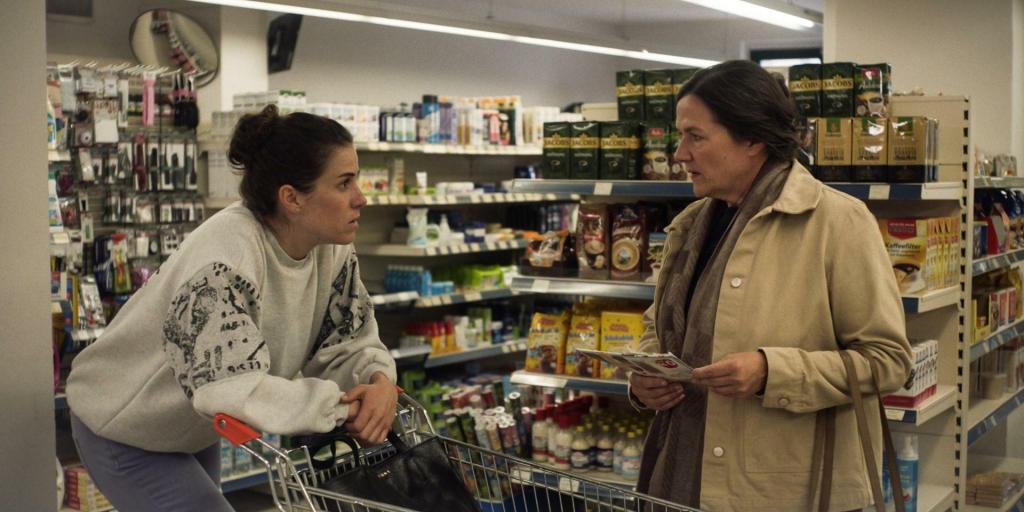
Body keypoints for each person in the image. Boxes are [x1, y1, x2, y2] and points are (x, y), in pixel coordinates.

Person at [66, 105, 398, 511]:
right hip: (125, 424)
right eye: (344, 183)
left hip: (191, 424)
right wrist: (338, 407)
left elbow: (347, 341)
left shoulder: (332, 251)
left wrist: (379, 381)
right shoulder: (227, 258)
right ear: (291, 198)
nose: (361, 198)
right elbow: (228, 384)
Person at [627, 60, 912, 511]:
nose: (680, 153)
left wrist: (770, 372)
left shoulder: (837, 222)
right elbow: (656, 328)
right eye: (681, 136)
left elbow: (888, 360)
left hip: (784, 493)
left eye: (695, 136)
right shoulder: (690, 226)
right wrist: (646, 373)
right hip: (681, 475)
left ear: (752, 139)